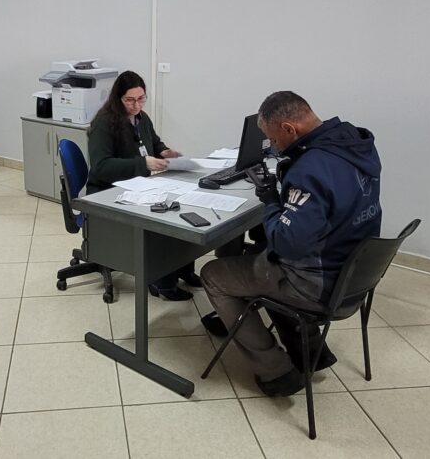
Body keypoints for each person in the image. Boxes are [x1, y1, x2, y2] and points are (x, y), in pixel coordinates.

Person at [199, 91, 382, 396]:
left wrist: (271, 201)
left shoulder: (311, 168)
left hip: (317, 282)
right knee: (256, 253)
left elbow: (287, 244)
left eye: (272, 139)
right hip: (354, 274)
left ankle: (275, 372)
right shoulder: (354, 144)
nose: (273, 147)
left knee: (214, 275)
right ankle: (311, 351)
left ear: (289, 129)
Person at [86, 70, 203, 301]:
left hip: (139, 185)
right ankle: (164, 284)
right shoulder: (105, 123)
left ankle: (184, 270)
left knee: (180, 210)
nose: (136, 105)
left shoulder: (141, 118)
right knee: (162, 221)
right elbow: (101, 167)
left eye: (141, 99)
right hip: (108, 192)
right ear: (118, 98)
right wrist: (143, 163)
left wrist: (164, 151)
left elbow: (154, 141)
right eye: (130, 100)